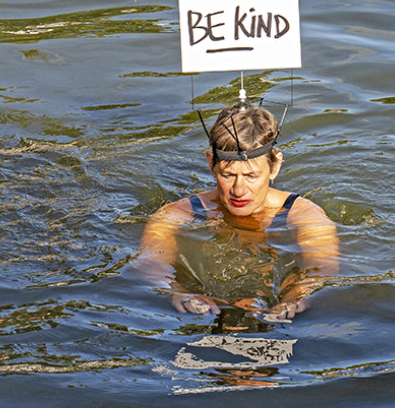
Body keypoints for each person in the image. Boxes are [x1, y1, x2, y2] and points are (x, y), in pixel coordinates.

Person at [138, 100, 338, 322]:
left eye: (251, 176)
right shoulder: (178, 214)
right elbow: (152, 262)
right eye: (228, 175)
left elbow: (322, 265)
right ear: (211, 164)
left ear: (275, 166)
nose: (239, 190)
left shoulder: (303, 214)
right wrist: (178, 290)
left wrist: (296, 295)